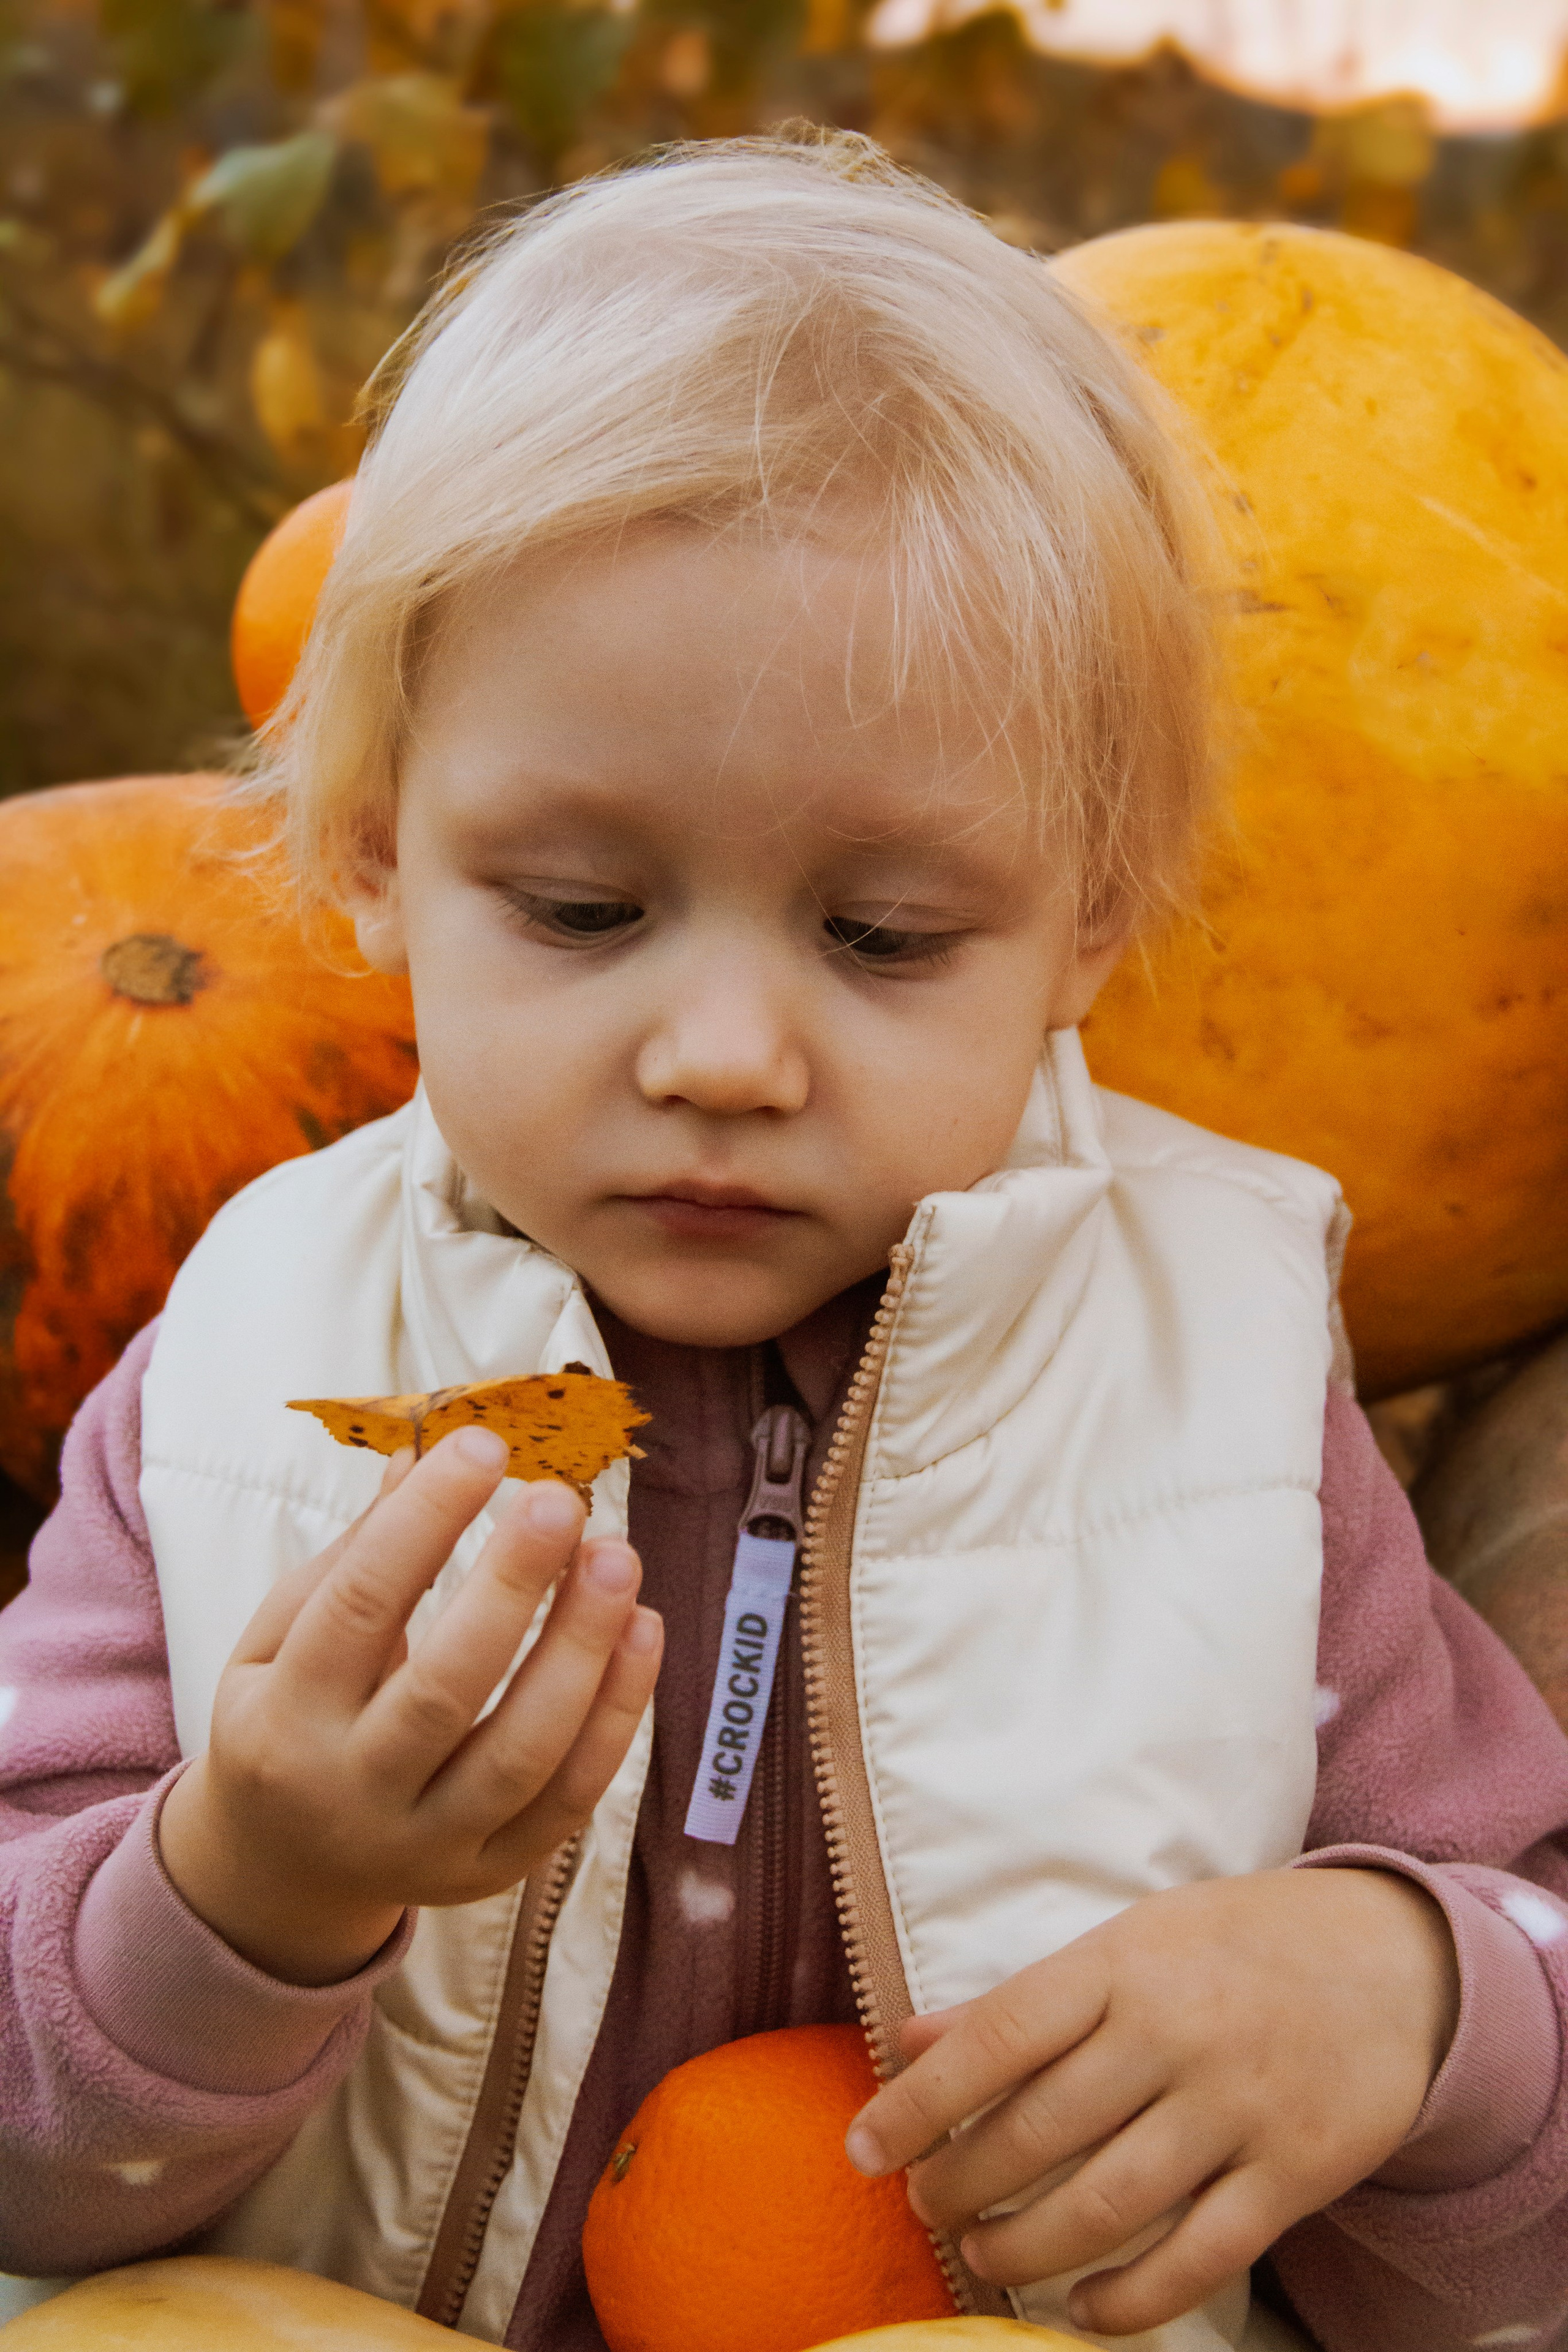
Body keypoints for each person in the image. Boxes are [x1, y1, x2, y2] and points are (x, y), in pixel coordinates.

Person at [2, 132, 1567, 2352]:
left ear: (1087, 923)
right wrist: (238, 1892)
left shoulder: (1221, 1399)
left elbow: (1513, 2250)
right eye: (582, 911)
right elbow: (27, 2164)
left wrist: (1414, 2003)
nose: (725, 1054)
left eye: (884, 934)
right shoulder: (248, 1380)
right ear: (369, 847)